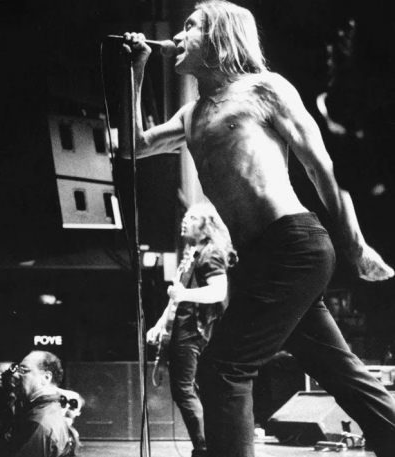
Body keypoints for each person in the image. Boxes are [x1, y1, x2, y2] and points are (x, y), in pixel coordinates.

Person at [119, 1, 395, 456]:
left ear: (220, 37)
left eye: (191, 26)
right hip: (257, 258)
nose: (179, 36)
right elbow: (133, 147)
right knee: (337, 368)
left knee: (222, 368)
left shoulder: (265, 89)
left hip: (293, 245)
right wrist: (137, 72)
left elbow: (321, 166)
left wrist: (357, 246)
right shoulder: (191, 114)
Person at [145, 202, 234, 457]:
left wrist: (184, 294)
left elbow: (218, 292)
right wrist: (160, 324)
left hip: (193, 332)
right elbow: (177, 298)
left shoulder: (210, 253)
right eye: (186, 217)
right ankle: (208, 445)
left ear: (206, 226)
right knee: (188, 390)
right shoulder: (193, 253)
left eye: (193, 218)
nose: (185, 221)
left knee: (184, 390)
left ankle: (205, 447)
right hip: (183, 328)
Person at [0, 350, 73, 457]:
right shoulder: (48, 410)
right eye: (18, 369)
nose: (16, 375)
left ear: (46, 377)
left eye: (23, 370)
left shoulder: (38, 422)